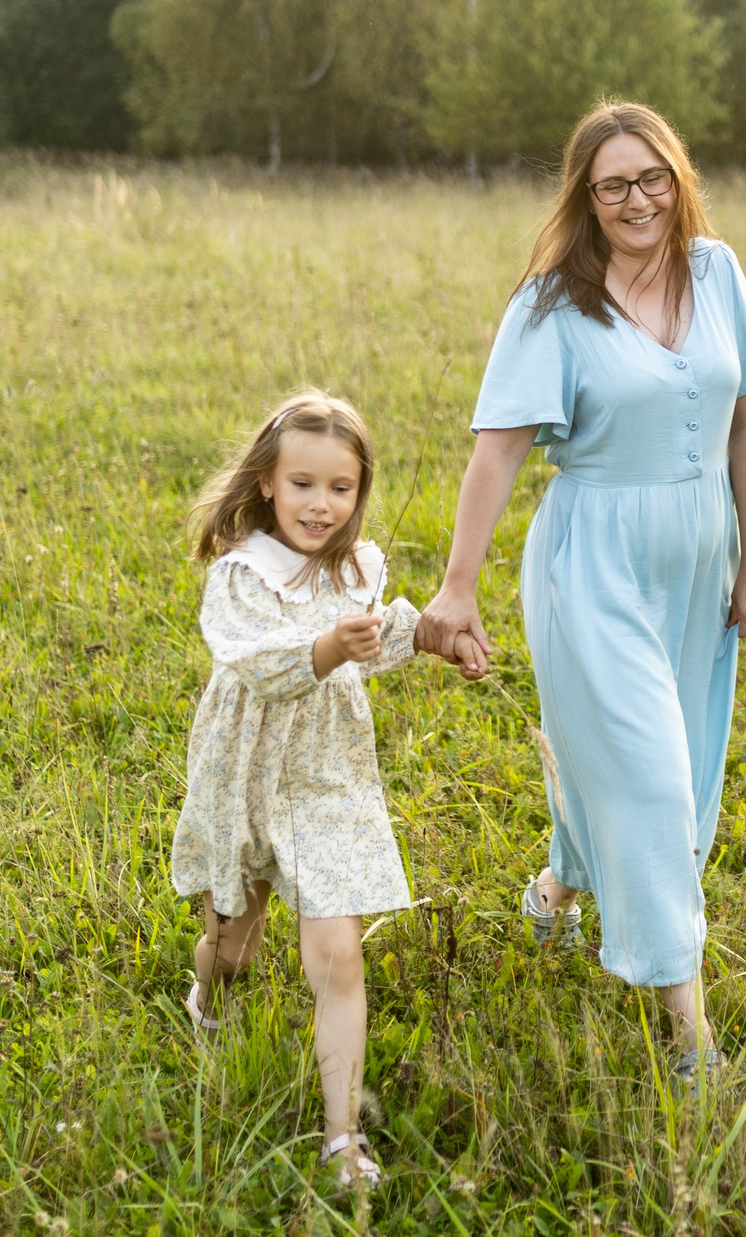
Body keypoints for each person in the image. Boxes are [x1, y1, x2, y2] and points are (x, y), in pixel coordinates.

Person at [418, 100, 746, 1087]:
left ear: (678, 178)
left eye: (652, 177)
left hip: (700, 558)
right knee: (653, 782)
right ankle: (690, 1035)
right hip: (592, 562)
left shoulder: (717, 272)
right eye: (613, 185)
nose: (637, 200)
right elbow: (497, 454)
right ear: (585, 197)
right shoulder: (552, 304)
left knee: (676, 770)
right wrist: (457, 588)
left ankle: (556, 888)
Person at [167, 390, 424, 1190]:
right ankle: (207, 997)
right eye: (303, 484)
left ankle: (342, 1139)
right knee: (233, 945)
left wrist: (432, 632)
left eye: (340, 487)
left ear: (360, 489)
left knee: (339, 955)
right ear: (268, 483)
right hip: (243, 777)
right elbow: (262, 665)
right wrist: (327, 644)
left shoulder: (358, 566)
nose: (321, 504)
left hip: (327, 780)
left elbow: (372, 644)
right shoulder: (241, 574)